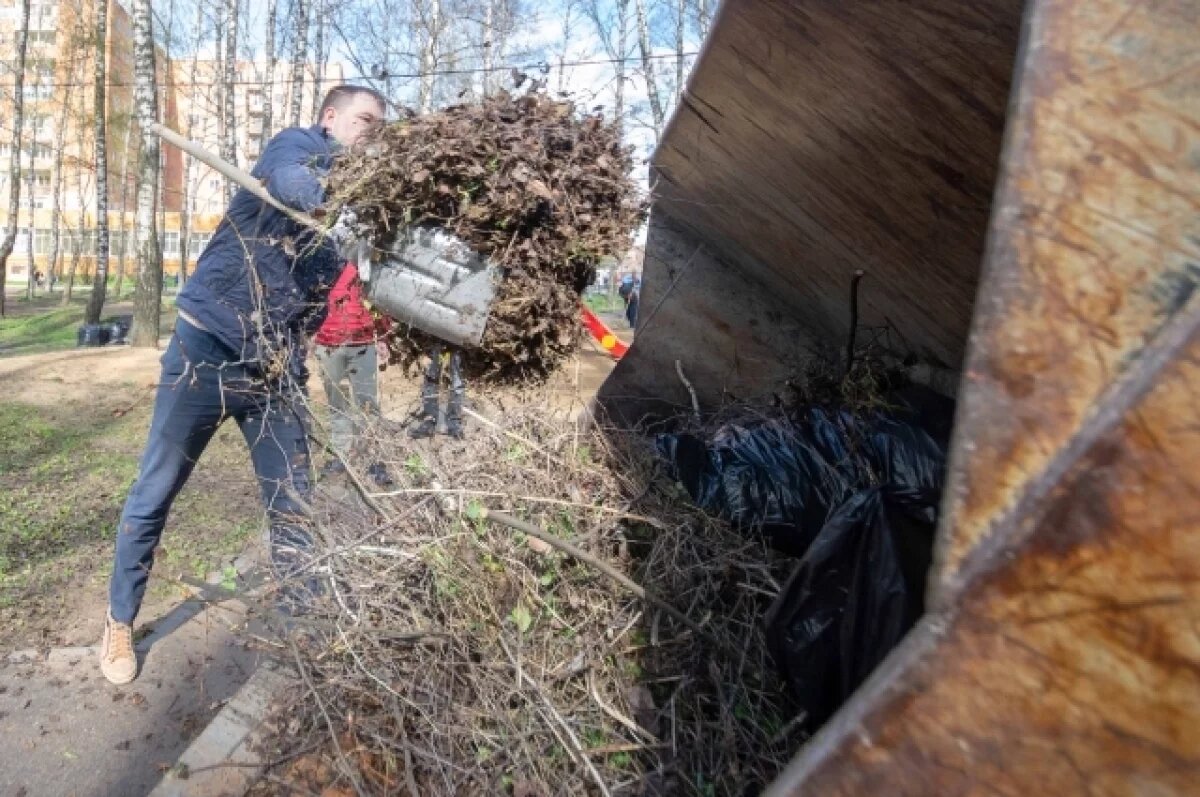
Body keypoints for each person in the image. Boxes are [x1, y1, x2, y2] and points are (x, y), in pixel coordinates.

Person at [99, 85, 386, 685]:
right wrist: (341, 193)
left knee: (295, 501)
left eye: (380, 126)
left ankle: (303, 625)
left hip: (275, 372)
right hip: (207, 352)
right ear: (331, 118)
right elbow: (289, 185)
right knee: (157, 488)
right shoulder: (300, 148)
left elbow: (314, 299)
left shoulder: (349, 214)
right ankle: (119, 619)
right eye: (365, 120)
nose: (372, 133)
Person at [314, 261, 395, 485]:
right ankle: (341, 455)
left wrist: (384, 337)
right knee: (336, 405)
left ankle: (373, 460)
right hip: (329, 346)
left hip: (363, 345)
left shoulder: (366, 265)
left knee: (368, 405)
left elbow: (380, 301)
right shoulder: (324, 263)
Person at [410, 343, 466, 440]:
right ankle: (430, 420)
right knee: (432, 375)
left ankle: (454, 424)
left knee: (457, 379)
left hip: (459, 337)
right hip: (439, 338)